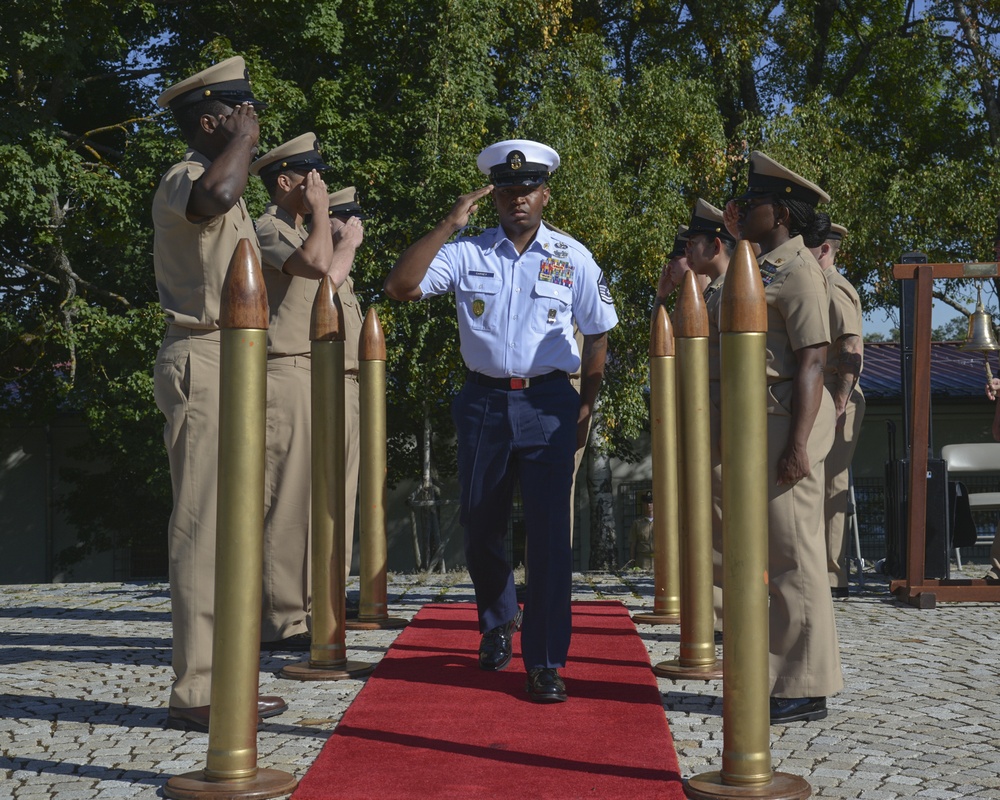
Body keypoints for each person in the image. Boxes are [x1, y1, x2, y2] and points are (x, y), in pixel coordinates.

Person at [384, 139, 618, 703]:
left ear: (545, 194)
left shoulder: (572, 257)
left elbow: (599, 333)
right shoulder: (468, 254)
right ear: (494, 197)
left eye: (529, 190)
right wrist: (447, 221)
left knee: (549, 538)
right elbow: (400, 287)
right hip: (484, 401)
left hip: (548, 404)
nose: (519, 200)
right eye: (509, 191)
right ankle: (496, 623)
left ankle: (544, 661)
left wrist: (584, 405)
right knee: (481, 522)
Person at [151, 56, 286, 731]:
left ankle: (230, 679)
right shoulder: (188, 178)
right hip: (202, 359)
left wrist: (241, 143)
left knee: (237, 528)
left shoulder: (219, 175)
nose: (252, 123)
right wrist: (243, 143)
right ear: (210, 119)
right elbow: (220, 196)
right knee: (203, 529)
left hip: (238, 360)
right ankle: (197, 690)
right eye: (239, 114)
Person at [733, 151, 841, 725]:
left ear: (781, 213)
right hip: (767, 423)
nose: (744, 208)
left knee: (797, 554)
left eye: (754, 202)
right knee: (779, 552)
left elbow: (813, 362)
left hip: (787, 424)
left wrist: (798, 446)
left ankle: (807, 685)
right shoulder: (767, 262)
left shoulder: (798, 269)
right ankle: (785, 675)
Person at [248, 134, 364, 651]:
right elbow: (319, 269)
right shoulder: (269, 228)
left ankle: (322, 600)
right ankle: (283, 616)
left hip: (318, 371)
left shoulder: (296, 229)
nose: (318, 184)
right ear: (284, 182)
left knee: (327, 496)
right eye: (309, 176)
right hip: (285, 369)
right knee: (289, 498)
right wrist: (328, 221)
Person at [682, 199, 737, 629]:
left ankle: (721, 615)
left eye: (693, 244)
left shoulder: (732, 286)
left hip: (725, 407)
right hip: (712, 405)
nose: (687, 254)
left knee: (721, 512)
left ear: (715, 244)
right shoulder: (715, 289)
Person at [811, 224, 865, 597]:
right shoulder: (820, 285)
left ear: (825, 248)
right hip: (826, 390)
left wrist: (841, 402)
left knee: (832, 483)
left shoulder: (835, 287)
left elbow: (850, 350)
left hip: (837, 391)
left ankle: (833, 577)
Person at [629, 491, 655, 568]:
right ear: (643, 505)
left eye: (651, 503)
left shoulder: (662, 522)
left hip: (658, 559)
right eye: (646, 503)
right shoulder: (637, 523)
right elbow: (632, 544)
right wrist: (632, 563)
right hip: (643, 561)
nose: (649, 505)